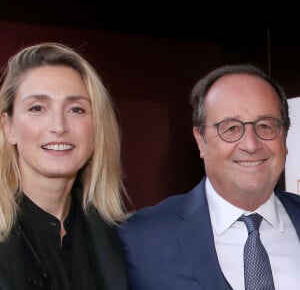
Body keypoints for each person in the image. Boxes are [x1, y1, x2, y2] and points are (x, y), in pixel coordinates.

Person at [118, 64, 300, 289]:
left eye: (265, 126)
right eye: (231, 128)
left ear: (284, 137)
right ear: (200, 140)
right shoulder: (140, 239)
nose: (251, 144)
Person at [0, 42, 129, 289]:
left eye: (76, 109)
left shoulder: (121, 238)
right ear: (8, 127)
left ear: (96, 127)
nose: (59, 126)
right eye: (37, 108)